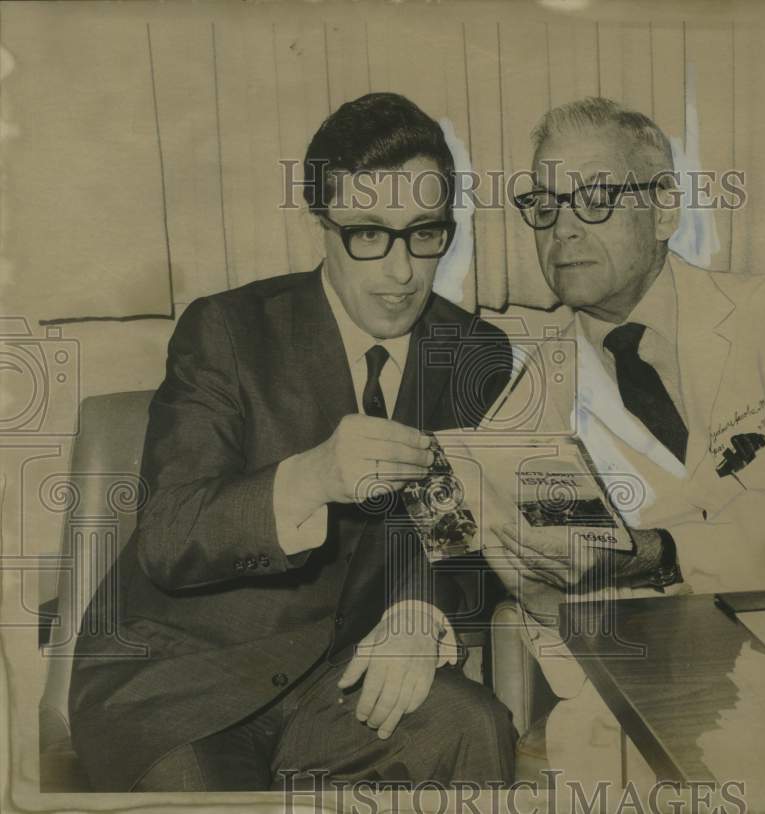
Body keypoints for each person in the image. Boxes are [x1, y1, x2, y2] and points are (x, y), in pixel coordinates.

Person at [69, 93, 516, 792]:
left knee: (473, 725)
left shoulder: (473, 353)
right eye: (368, 234)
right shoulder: (228, 331)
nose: (401, 272)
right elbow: (167, 535)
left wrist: (419, 611)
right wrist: (308, 478)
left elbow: (467, 536)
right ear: (321, 224)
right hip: (183, 684)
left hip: (336, 681)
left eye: (425, 233)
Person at [481, 97, 765, 787]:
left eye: (595, 198)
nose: (562, 231)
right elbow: (545, 595)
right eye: (544, 205)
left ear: (665, 210)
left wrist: (662, 553)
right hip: (664, 680)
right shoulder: (523, 408)